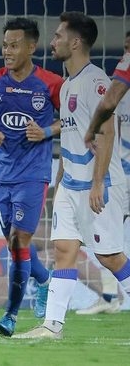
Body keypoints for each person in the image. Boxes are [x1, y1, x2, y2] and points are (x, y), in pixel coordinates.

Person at [17, 12, 130, 339]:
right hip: (70, 184)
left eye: (58, 36)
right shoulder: (66, 86)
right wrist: (60, 182)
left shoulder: (96, 82)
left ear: (76, 42)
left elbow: (107, 132)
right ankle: (52, 326)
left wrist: (97, 183)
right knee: (64, 249)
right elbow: (72, 136)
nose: (52, 42)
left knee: (109, 256)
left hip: (100, 184)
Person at [0, 17, 63, 336]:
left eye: (14, 45)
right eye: (4, 45)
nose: (7, 51)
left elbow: (72, 119)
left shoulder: (51, 83)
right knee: (14, 243)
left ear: (31, 47)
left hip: (33, 175)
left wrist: (47, 131)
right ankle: (44, 279)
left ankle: (10, 316)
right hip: (2, 175)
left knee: (19, 239)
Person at [78, 34, 130, 315]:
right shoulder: (115, 85)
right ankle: (110, 297)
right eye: (125, 47)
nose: (126, 53)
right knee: (107, 238)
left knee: (108, 240)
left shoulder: (114, 88)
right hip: (122, 172)